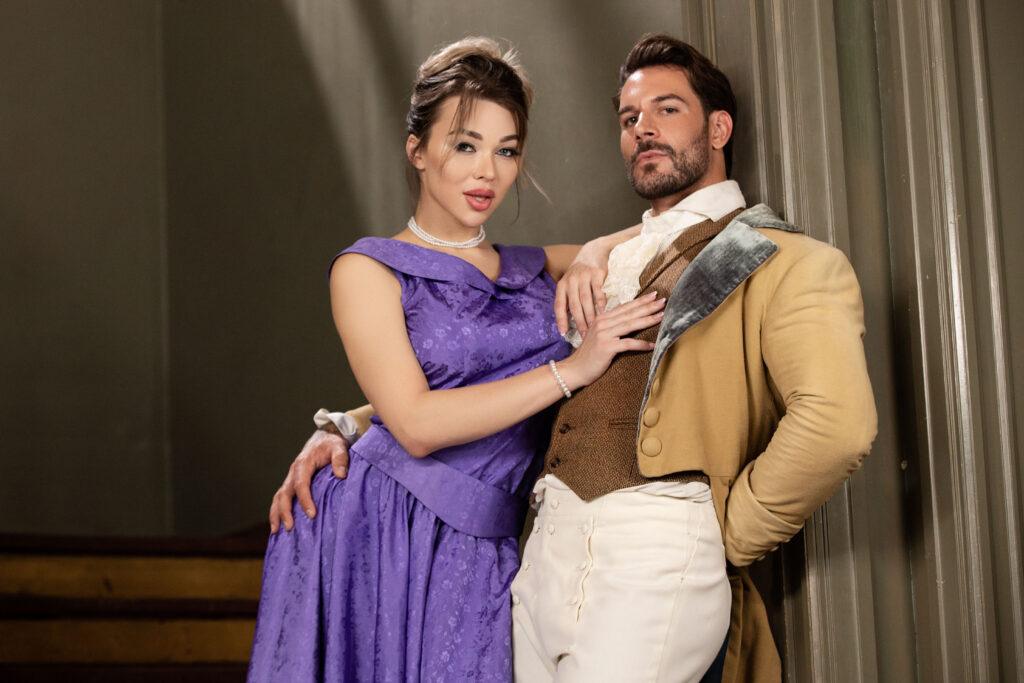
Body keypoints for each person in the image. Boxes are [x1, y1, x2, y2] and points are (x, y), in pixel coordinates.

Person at [278, 34, 877, 682]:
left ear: (719, 128)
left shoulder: (777, 260)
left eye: (667, 109)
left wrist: (728, 532)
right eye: (630, 117)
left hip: (619, 543)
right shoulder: (575, 262)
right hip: (502, 541)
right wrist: (348, 424)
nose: (644, 128)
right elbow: (450, 397)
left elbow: (836, 425)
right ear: (417, 150)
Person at [247, 37, 662, 682]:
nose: (487, 172)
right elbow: (414, 423)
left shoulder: (534, 269)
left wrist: (592, 251)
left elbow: (661, 235)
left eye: (506, 151)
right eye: (465, 146)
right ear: (417, 150)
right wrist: (572, 370)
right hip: (382, 523)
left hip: (487, 537)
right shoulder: (368, 270)